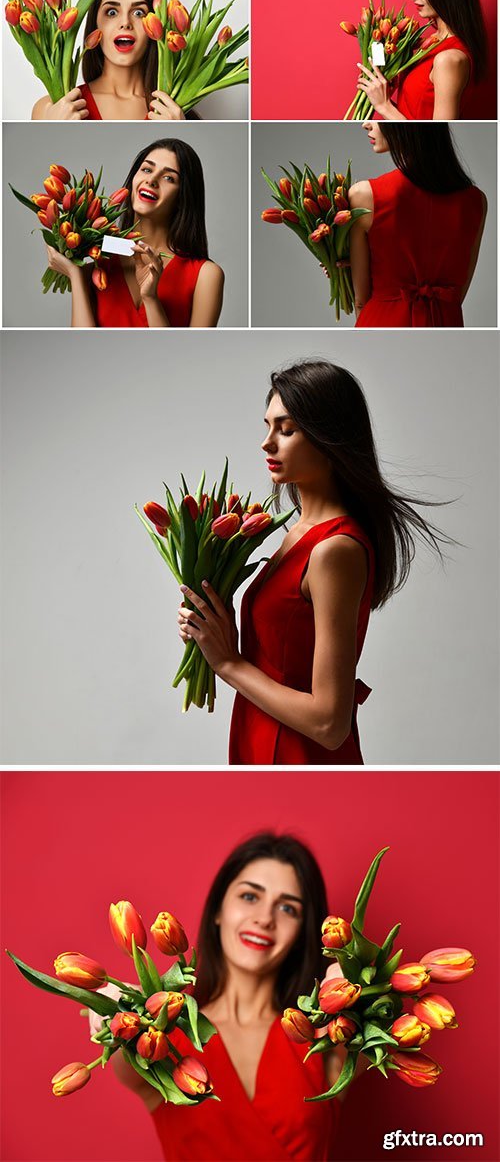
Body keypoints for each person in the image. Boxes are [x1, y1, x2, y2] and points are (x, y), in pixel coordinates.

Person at [177, 360, 445, 765]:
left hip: (299, 756)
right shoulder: (298, 531)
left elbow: (329, 725)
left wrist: (227, 662)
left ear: (329, 436)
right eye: (267, 426)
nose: (268, 443)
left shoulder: (334, 549)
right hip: (261, 736)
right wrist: (211, 627)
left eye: (286, 430)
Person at [92, 832, 348, 1161]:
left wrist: (349, 987)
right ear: (218, 910)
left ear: (303, 932)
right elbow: (120, 1046)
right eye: (250, 896)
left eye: (287, 907)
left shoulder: (326, 1036)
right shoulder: (161, 1039)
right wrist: (120, 1017)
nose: (265, 918)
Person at [47, 139, 224, 327]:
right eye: (147, 169)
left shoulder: (206, 276)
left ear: (183, 197)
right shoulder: (98, 260)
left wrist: (150, 298)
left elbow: (189, 354)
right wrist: (76, 275)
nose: (152, 180)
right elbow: (83, 347)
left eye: (169, 178)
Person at [348, 125, 487, 327]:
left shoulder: (364, 195)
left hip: (382, 321)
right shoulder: (476, 201)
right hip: (446, 321)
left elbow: (360, 300)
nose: (366, 123)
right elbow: (458, 292)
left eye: (379, 119)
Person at [31, 0, 189, 122]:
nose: (125, 22)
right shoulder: (50, 108)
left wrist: (181, 127)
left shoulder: (174, 109)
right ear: (95, 26)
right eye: (112, 12)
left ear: (156, 25)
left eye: (139, 13)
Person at [357, 0, 488, 121]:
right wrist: (382, 96)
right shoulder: (429, 42)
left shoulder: (449, 59)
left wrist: (384, 106)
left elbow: (435, 135)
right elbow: (413, 117)